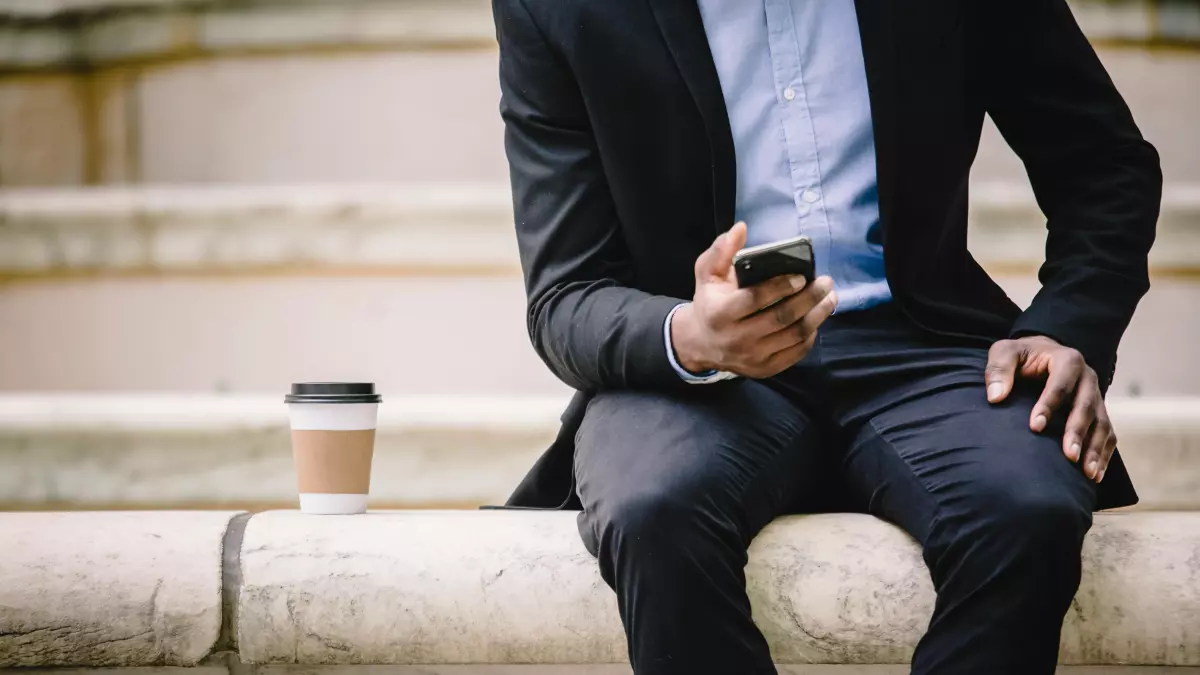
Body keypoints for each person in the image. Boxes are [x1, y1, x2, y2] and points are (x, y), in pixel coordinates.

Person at [491, 0, 1161, 672]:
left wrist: (1065, 327)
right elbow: (565, 294)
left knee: (1028, 507)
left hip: (922, 348)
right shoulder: (557, 9)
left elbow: (1105, 167)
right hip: (701, 375)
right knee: (653, 509)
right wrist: (690, 334)